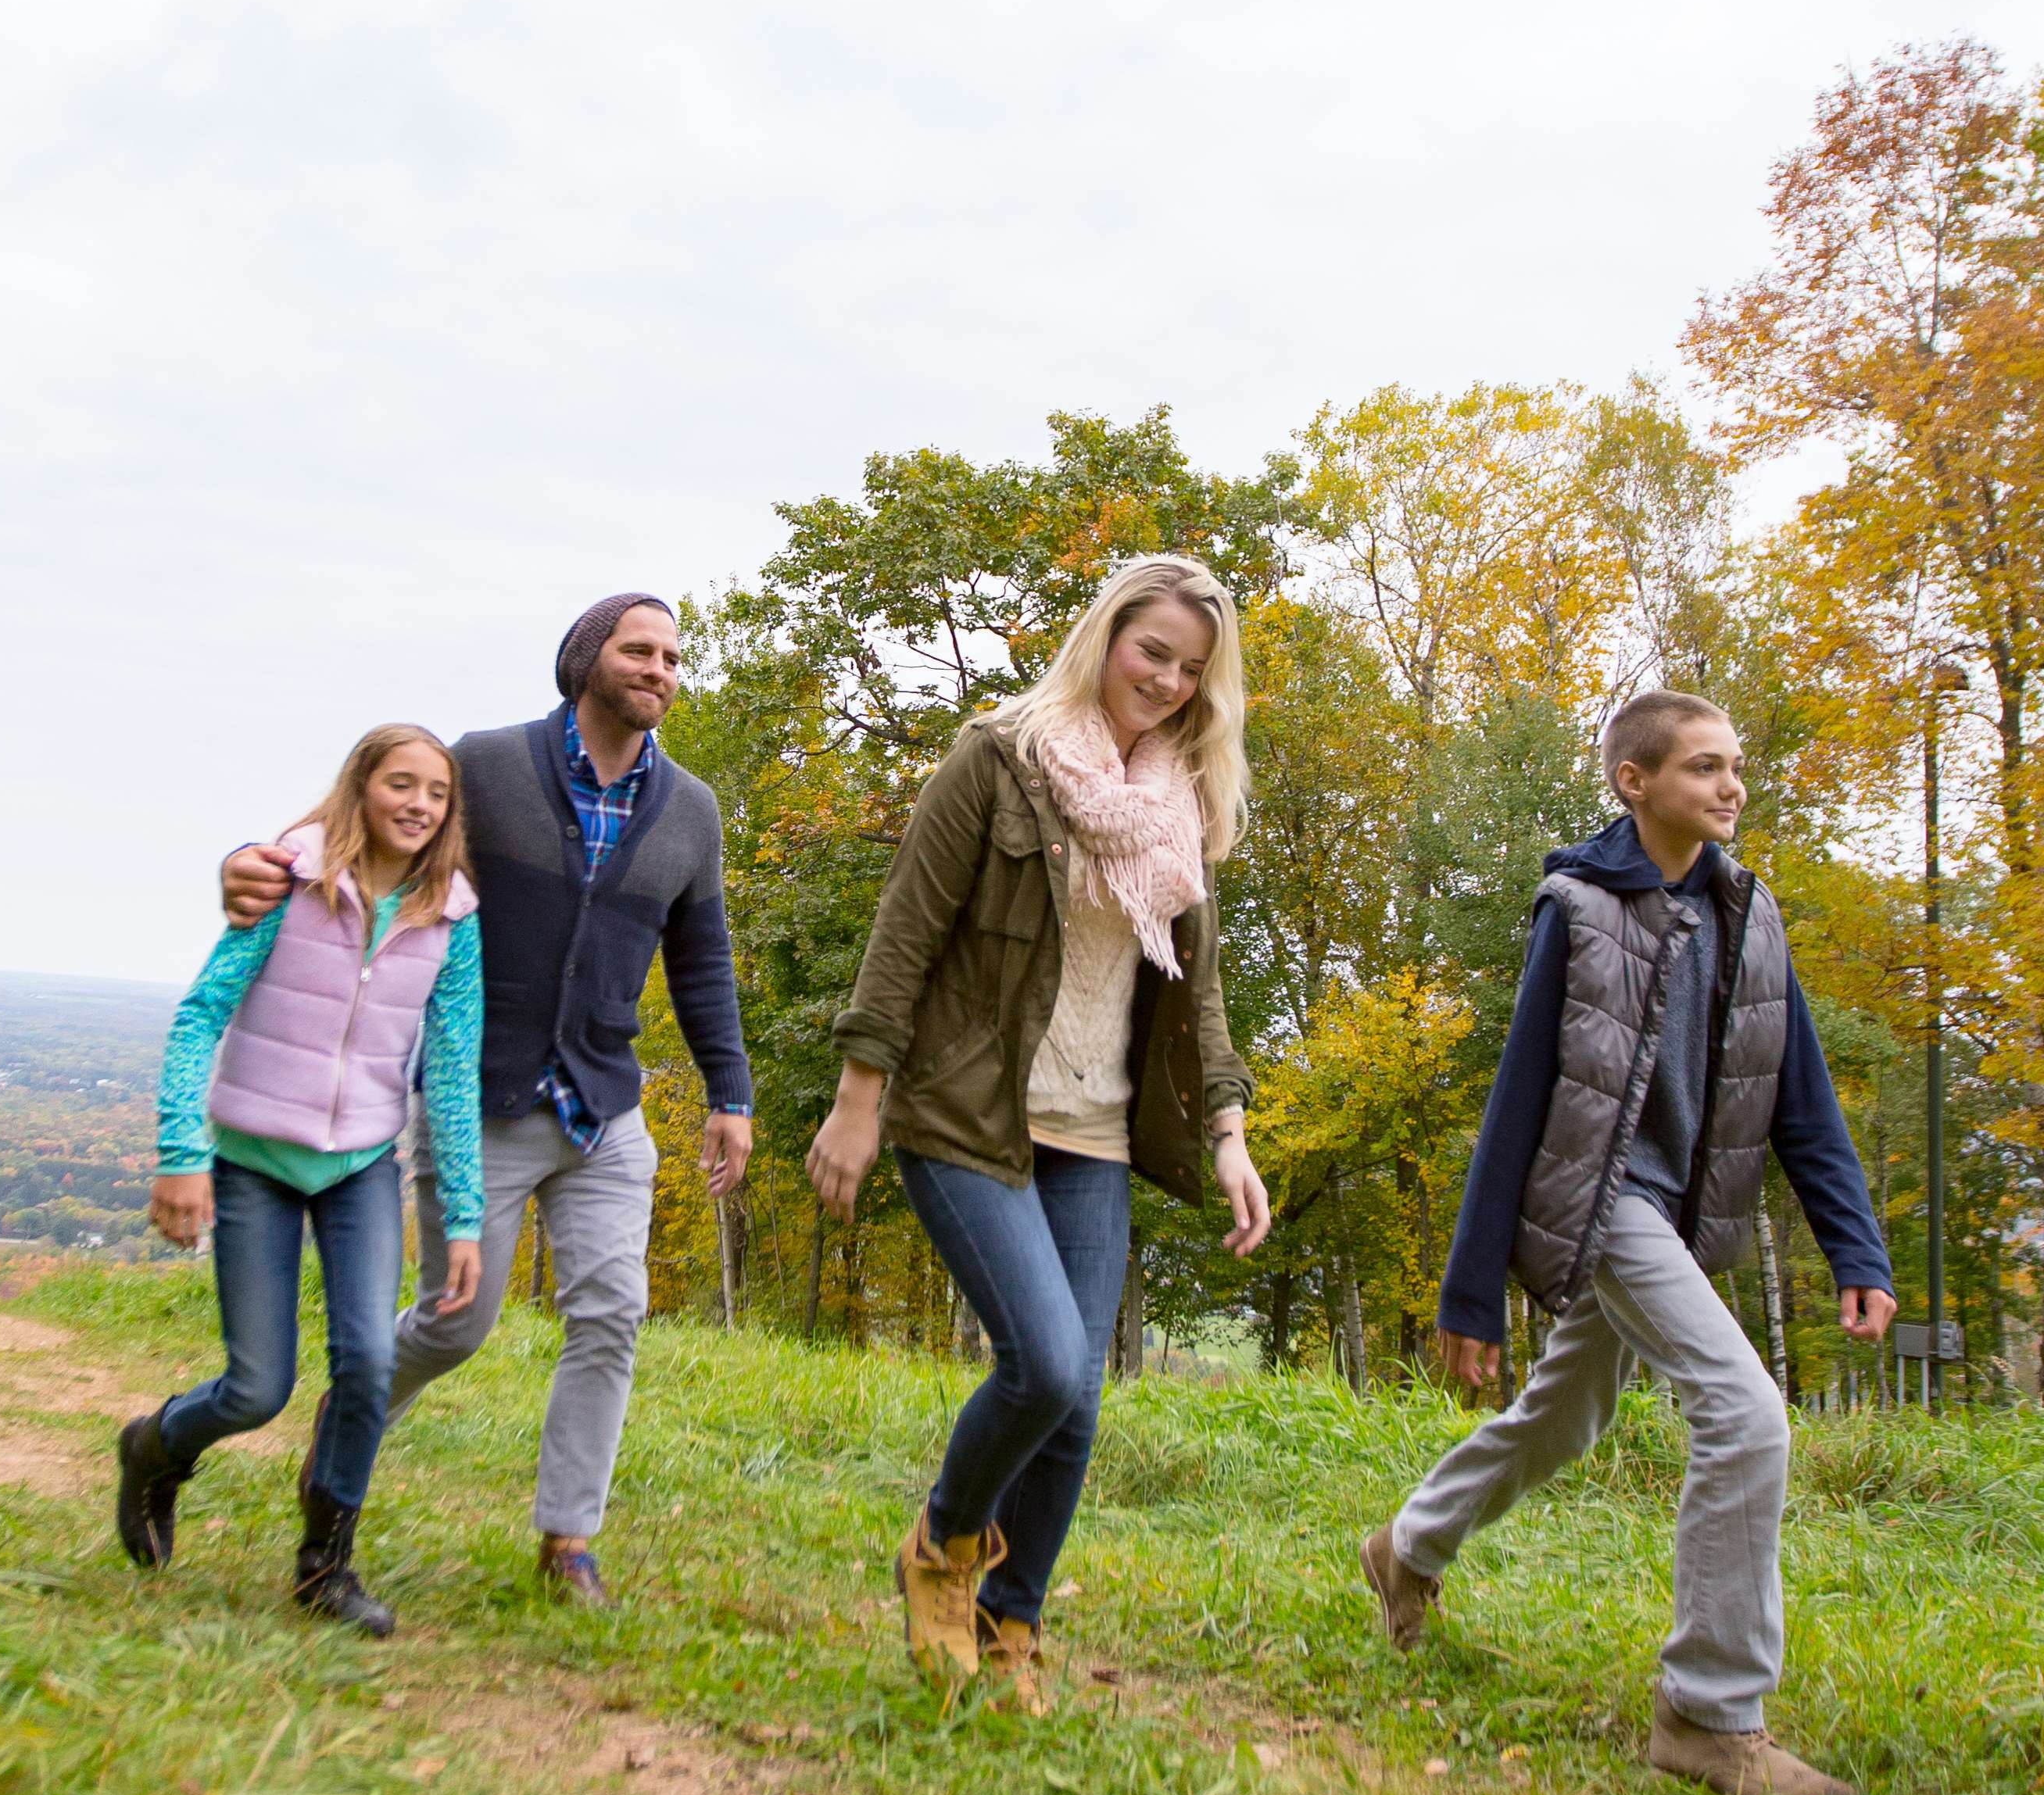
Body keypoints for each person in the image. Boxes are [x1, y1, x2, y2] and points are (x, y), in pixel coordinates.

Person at [1358, 689, 1897, 1795]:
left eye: (1736, 766)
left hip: (1682, 1221)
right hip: (1603, 1204)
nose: (1731, 786)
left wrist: (1858, 1250)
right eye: (1704, 767)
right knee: (1746, 1416)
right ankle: (1708, 1714)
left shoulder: (1752, 912)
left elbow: (1800, 1094)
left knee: (1567, 1413)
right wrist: (1467, 1294)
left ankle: (1410, 1543)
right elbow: (1519, 1099)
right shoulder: (1580, 907)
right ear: (1634, 782)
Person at [810, 554, 1273, 1713]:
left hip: (1101, 1127)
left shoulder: (1183, 805)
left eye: (1189, 669)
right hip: (971, 1110)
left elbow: (1196, 990)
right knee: (1047, 1364)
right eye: (1150, 651)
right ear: (1105, 638)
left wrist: (1227, 1130)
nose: (1165, 680)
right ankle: (944, 1546)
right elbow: (906, 932)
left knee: (1079, 1403)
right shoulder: (997, 760)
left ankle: (1013, 1630)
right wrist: (857, 1100)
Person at [222, 595, 752, 1606]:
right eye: (641, 650)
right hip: (485, 1101)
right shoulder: (490, 766)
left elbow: (703, 959)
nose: (661, 670)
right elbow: (381, 828)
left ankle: (569, 1542)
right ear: (587, 659)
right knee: (457, 1324)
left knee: (612, 1316)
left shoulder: (689, 811)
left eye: (675, 658)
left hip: (604, 1106)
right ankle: (351, 1421)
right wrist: (262, 864)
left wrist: (731, 1090)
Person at [116, 724, 484, 1639]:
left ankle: (326, 1569)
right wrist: (180, 1153)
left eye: (436, 793)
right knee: (256, 1388)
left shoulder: (453, 919)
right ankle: (154, 1447)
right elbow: (202, 1013)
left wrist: (466, 1217)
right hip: (255, 1163)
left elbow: (453, 1070)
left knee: (367, 1364)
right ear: (361, 788)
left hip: (361, 1167)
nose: (418, 805)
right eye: (401, 784)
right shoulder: (289, 883)